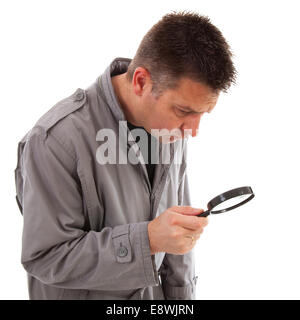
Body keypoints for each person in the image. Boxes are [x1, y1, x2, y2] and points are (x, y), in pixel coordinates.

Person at [14, 10, 236, 300]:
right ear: (141, 82)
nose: (193, 130)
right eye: (184, 111)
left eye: (203, 114)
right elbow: (44, 256)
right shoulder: (55, 141)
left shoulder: (169, 128)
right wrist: (148, 240)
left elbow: (176, 248)